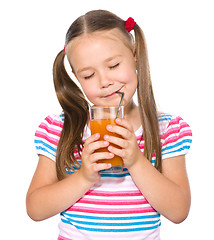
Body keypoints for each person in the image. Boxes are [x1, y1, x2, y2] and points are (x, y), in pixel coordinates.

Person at [26, 10, 192, 240]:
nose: (105, 82)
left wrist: (135, 161)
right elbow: (35, 208)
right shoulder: (61, 128)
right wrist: (84, 176)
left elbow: (178, 211)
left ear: (134, 55)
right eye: (88, 75)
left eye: (113, 65)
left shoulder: (167, 130)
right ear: (75, 76)